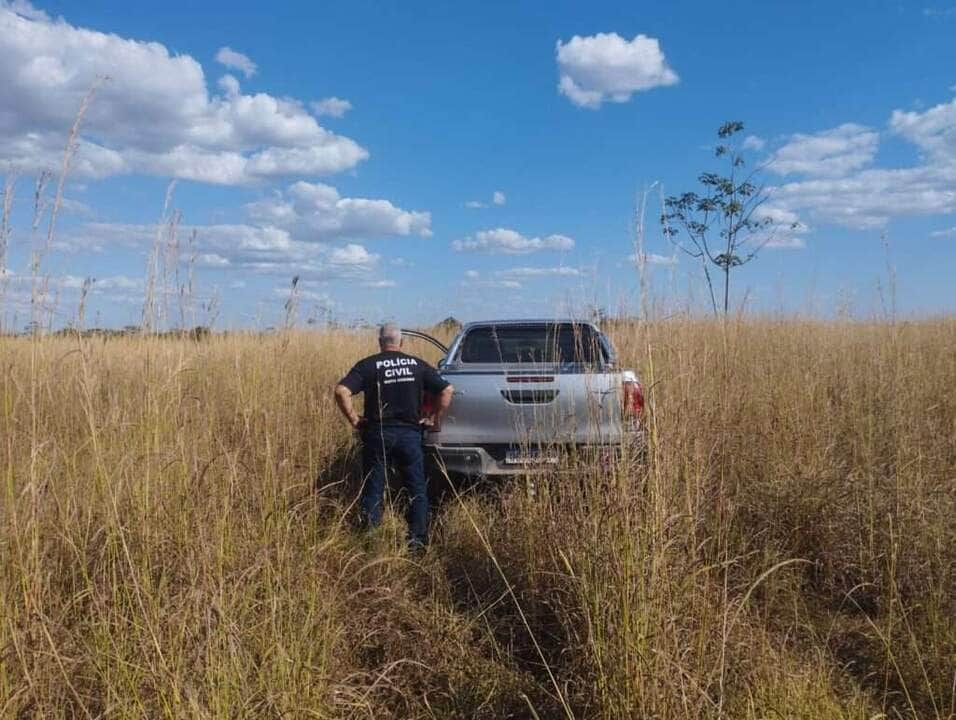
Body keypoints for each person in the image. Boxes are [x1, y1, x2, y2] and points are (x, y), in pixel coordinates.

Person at [334, 323, 454, 551]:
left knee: (373, 489)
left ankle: (371, 544)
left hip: (377, 435)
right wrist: (434, 419)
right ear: (401, 343)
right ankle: (417, 544)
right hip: (410, 434)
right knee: (416, 489)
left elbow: (341, 391)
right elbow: (447, 390)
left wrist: (355, 421)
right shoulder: (417, 365)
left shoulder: (368, 365)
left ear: (380, 342)